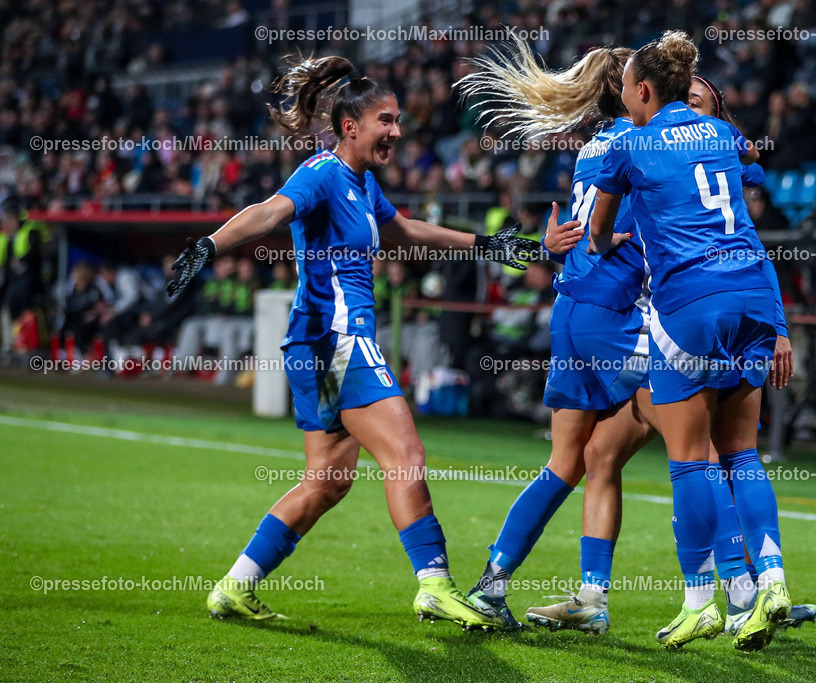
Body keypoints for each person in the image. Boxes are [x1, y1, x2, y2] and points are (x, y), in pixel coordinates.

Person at [165, 54, 546, 629]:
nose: (396, 131)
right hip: (337, 341)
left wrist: (485, 244)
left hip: (314, 346)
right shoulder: (322, 173)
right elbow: (268, 212)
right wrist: (209, 246)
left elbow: (405, 230)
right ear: (351, 127)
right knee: (406, 455)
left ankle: (235, 586)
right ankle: (435, 584)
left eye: (396, 121)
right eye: (386, 121)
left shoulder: (363, 184)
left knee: (326, 483)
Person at [457, 40, 807, 646]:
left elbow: (579, 235)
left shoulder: (599, 149)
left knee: (583, 459)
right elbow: (678, 209)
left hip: (572, 310)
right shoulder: (647, 145)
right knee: (699, 449)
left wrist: (553, 246)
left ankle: (512, 584)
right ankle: (741, 591)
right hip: (624, 316)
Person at [588, 30, 791, 652]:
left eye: (626, 89)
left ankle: (701, 600)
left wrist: (609, 241)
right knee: (744, 455)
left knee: (690, 458)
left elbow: (597, 235)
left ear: (643, 90)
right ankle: (771, 581)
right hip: (754, 295)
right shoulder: (724, 134)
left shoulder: (629, 145)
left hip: (690, 305)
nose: (624, 99)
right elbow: (752, 165)